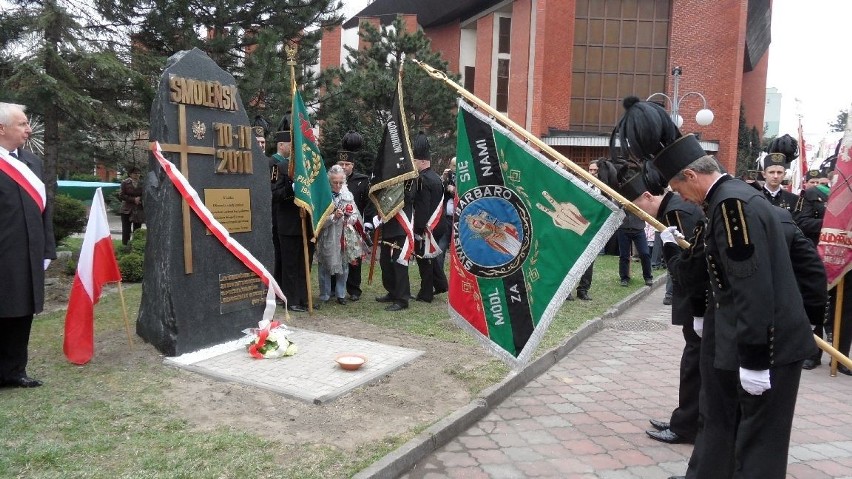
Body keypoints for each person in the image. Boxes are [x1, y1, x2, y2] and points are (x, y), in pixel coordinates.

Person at [652, 135, 818, 479]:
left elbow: (751, 287)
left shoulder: (731, 207)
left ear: (691, 175)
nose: (679, 196)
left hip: (769, 346)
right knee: (724, 425)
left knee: (760, 444)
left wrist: (755, 359)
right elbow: (703, 272)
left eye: (677, 187)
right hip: (744, 339)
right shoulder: (731, 199)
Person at [0, 102, 56, 388]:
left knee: (23, 310)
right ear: (2, 128)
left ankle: (14, 371)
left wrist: (48, 249)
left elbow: (45, 211)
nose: (29, 129)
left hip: (28, 254)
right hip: (3, 253)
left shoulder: (32, 162)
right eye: (22, 124)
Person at [271, 115, 316, 312]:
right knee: (290, 265)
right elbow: (274, 195)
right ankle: (292, 299)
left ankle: (305, 297)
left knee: (304, 263)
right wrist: (292, 189)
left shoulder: (310, 168)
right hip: (288, 224)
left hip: (307, 224)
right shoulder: (280, 167)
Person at [316, 165, 363, 305]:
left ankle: (341, 294)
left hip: (344, 234)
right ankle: (325, 294)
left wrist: (348, 217)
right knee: (324, 263)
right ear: (329, 181)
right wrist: (333, 217)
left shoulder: (348, 195)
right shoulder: (323, 195)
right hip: (328, 234)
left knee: (344, 265)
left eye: (340, 182)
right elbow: (319, 220)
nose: (337, 185)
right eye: (334, 182)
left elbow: (355, 215)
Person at [411, 131, 448, 303]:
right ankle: (441, 284)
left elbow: (422, 207)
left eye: (415, 161)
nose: (413, 164)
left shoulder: (422, 180)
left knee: (424, 260)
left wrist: (417, 228)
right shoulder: (436, 177)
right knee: (431, 257)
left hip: (428, 226)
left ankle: (425, 294)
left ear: (422, 161)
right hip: (440, 224)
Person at [336, 131, 371, 302]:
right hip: (336, 224)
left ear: (353, 165)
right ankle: (337, 288)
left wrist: (367, 223)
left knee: (354, 257)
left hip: (354, 225)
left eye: (347, 164)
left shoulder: (362, 180)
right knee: (336, 257)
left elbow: (367, 204)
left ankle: (354, 289)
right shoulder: (332, 180)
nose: (344, 167)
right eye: (341, 163)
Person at [758, 133, 803, 218]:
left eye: (779, 172)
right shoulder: (755, 196)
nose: (775, 176)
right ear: (764, 174)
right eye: (771, 172)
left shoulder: (794, 200)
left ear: (784, 174)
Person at [615, 209, 653, 287]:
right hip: (623, 229)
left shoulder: (639, 198)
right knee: (624, 255)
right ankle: (624, 278)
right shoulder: (620, 197)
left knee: (645, 253)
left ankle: (648, 277)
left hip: (639, 229)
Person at [118, 166, 144, 246]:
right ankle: (125, 246)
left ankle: (136, 246)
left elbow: (147, 193)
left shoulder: (142, 183)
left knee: (137, 230)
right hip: (126, 209)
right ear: (130, 174)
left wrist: (140, 198)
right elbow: (121, 195)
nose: (137, 175)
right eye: (135, 173)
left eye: (138, 173)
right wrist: (133, 199)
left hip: (138, 209)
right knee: (126, 229)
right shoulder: (125, 183)